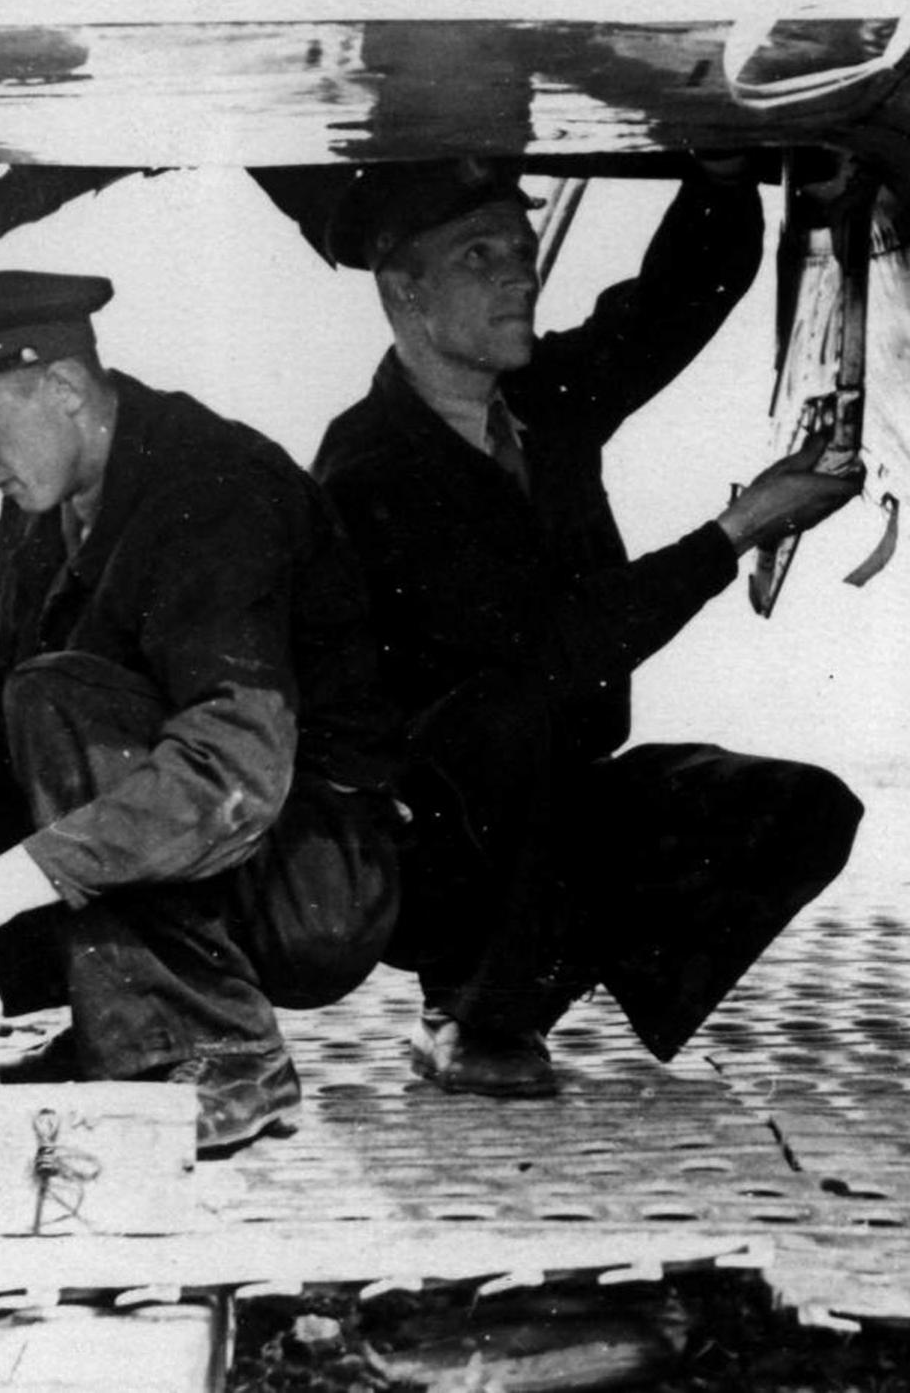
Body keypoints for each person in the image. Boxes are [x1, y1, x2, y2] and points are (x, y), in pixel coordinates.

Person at [306, 155, 864, 1098]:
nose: (519, 275)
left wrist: (721, 172)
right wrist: (736, 532)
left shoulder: (536, 401)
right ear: (405, 291)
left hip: (549, 798)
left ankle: (526, 988)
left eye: (521, 250)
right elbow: (550, 651)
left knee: (799, 809)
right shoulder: (370, 468)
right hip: (427, 844)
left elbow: (677, 300)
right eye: (479, 256)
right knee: (507, 716)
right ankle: (473, 1006)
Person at [0, 269, 403, 1153]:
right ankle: (113, 1028)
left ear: (65, 388)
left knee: (53, 692)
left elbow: (231, 773)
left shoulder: (213, 494)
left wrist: (10, 879)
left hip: (314, 874)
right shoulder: (67, 484)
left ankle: (219, 1054)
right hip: (242, 856)